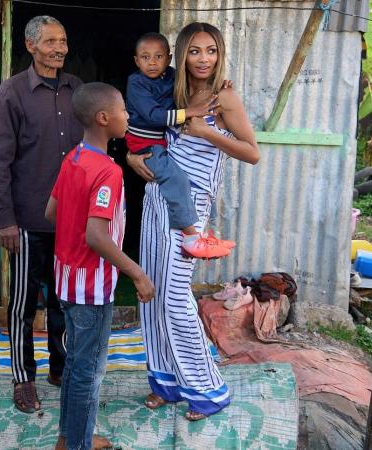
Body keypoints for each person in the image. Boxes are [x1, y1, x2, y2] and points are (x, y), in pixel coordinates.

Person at [127, 22, 260, 421]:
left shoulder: (225, 98)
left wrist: (206, 130)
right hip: (155, 199)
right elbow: (145, 133)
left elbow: (252, 152)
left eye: (212, 50)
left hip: (190, 207)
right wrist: (133, 160)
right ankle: (166, 383)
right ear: (181, 55)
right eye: (196, 51)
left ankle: (207, 390)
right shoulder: (174, 92)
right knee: (150, 294)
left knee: (175, 296)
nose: (204, 59)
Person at [46, 82, 155, 450]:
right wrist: (137, 273)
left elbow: (52, 212)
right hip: (91, 288)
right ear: (104, 118)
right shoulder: (108, 171)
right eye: (124, 110)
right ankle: (77, 443)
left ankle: (70, 437)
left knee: (76, 365)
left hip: (66, 279)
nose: (129, 116)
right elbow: (96, 236)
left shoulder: (73, 158)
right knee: (89, 372)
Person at [0, 15, 84, 413]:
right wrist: (5, 219)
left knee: (64, 301)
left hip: (71, 222)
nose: (59, 48)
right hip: (27, 221)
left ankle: (59, 368)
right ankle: (23, 378)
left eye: (62, 40)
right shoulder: (12, 93)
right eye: (50, 42)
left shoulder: (77, 88)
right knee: (23, 306)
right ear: (30, 46)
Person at [126, 32, 231, 258]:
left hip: (161, 143)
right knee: (177, 179)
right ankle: (192, 237)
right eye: (145, 57)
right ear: (136, 61)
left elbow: (193, 84)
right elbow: (153, 116)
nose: (152, 62)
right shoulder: (136, 82)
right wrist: (190, 112)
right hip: (145, 144)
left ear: (169, 58)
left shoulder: (173, 77)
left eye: (158, 56)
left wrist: (219, 85)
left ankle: (199, 232)